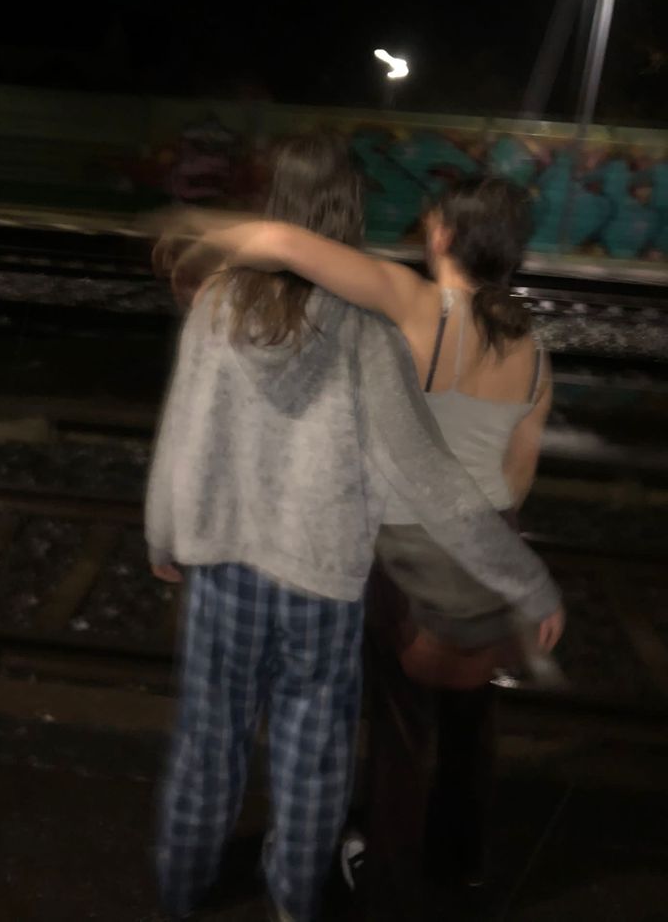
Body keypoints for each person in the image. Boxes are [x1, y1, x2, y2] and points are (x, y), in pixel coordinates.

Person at [146, 139, 562, 922]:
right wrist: (520, 572)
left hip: (293, 565)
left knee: (231, 743)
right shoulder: (436, 343)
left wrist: (165, 533)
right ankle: (336, 893)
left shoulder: (256, 306)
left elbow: (188, 432)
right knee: (341, 755)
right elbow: (474, 479)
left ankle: (202, 886)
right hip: (378, 572)